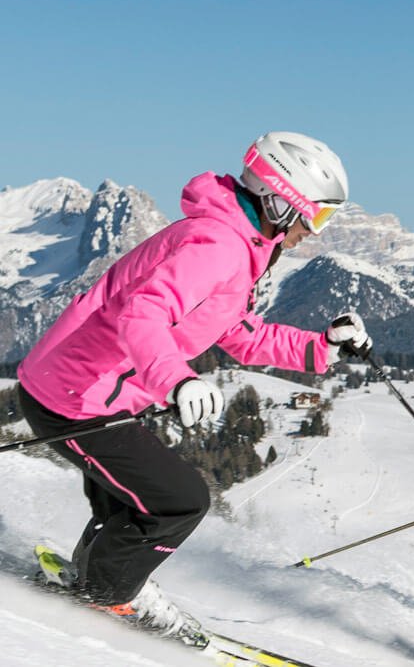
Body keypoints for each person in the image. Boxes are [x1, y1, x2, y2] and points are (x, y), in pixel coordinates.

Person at [15, 131, 372, 638]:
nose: (314, 232)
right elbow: (143, 316)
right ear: (280, 201)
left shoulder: (235, 242)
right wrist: (177, 380)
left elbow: (235, 332)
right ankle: (107, 596)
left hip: (84, 390)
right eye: (316, 216)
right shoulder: (218, 247)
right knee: (179, 500)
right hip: (76, 398)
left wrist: (320, 347)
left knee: (133, 501)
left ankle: (98, 581)